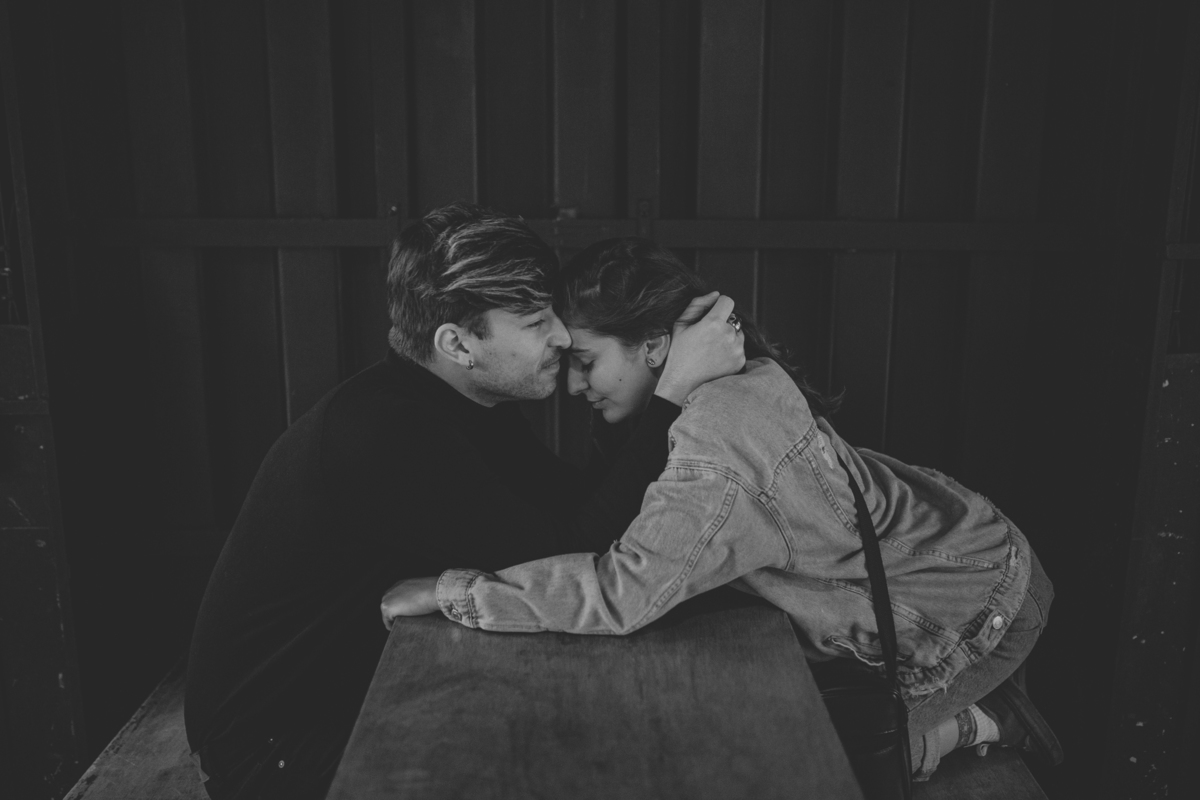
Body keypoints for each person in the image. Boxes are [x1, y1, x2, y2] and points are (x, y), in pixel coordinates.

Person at [381, 237, 1064, 781]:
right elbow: (610, 522)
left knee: (828, 773)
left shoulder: (719, 436)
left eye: (585, 360)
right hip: (942, 557)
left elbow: (625, 590)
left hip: (970, 604)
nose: (573, 382)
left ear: (651, 346)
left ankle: (984, 718)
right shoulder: (690, 396)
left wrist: (459, 594)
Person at [185, 209, 745, 800]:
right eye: (534, 321)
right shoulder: (388, 437)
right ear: (457, 343)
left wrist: (634, 395)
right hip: (282, 747)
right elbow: (566, 556)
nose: (561, 335)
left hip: (376, 683)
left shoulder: (468, 404)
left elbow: (578, 510)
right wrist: (671, 392)